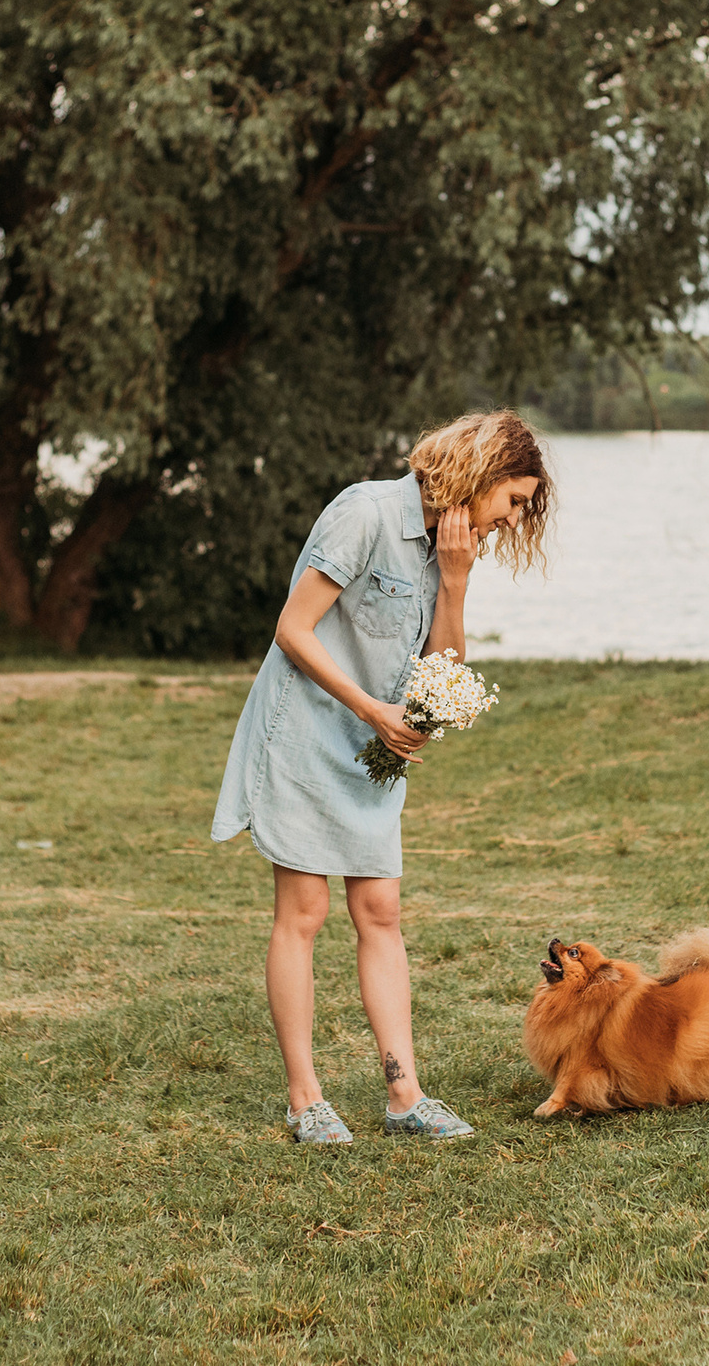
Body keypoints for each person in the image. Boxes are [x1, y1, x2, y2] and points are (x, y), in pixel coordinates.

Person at [211, 411, 552, 1144]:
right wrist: (372, 709)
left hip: (372, 750)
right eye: (514, 499)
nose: (512, 516)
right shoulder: (364, 513)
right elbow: (292, 629)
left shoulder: (447, 546)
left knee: (382, 915)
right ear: (482, 472)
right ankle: (306, 1099)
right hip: (305, 732)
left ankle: (405, 1095)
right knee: (303, 915)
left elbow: (444, 677)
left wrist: (455, 584)